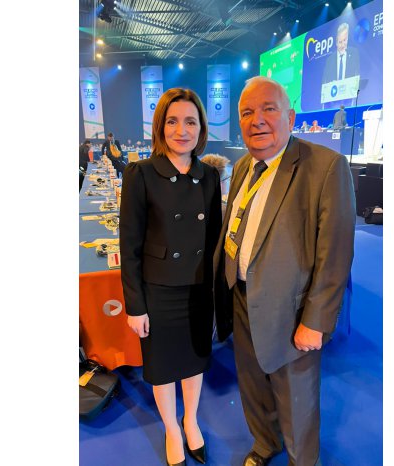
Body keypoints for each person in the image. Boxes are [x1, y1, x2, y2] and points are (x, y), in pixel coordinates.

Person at [213, 76, 355, 466]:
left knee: (296, 404)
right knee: (253, 388)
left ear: (290, 118)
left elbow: (335, 253)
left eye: (268, 109)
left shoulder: (325, 167)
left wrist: (316, 320)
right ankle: (264, 445)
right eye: (247, 112)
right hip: (242, 299)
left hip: (292, 314)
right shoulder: (244, 166)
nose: (257, 120)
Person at [120, 88, 222, 466]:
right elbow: (129, 244)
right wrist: (135, 305)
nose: (182, 130)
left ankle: (190, 420)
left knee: (194, 361)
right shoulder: (141, 174)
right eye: (173, 121)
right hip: (159, 290)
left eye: (190, 122)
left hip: (198, 290)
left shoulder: (209, 176)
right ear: (160, 127)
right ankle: (171, 429)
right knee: (163, 367)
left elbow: (213, 241)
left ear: (201, 128)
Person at [321, 23, 360, 109]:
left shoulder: (354, 54)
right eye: (340, 42)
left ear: (348, 39)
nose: (342, 45)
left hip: (348, 100)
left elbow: (357, 75)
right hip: (333, 101)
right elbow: (324, 82)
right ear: (336, 43)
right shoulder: (330, 60)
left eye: (344, 40)